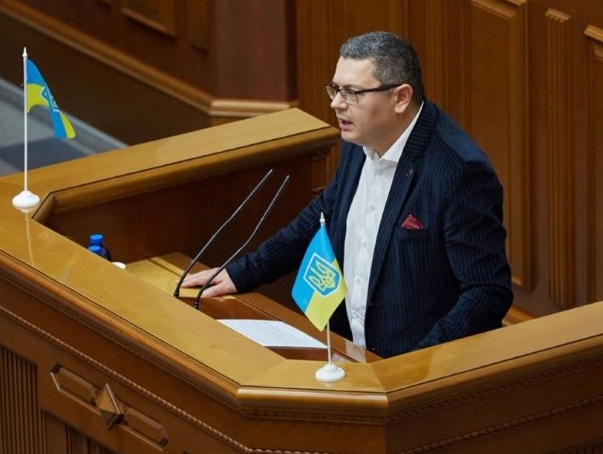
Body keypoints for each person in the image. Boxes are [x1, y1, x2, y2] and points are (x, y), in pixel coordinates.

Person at [183, 31, 512, 358]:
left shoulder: (457, 172)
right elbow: (325, 213)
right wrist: (245, 272)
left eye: (352, 93)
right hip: (348, 353)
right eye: (336, 89)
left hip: (413, 374)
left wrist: (414, 369)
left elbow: (486, 291)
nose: (336, 103)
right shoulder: (361, 138)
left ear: (400, 97)